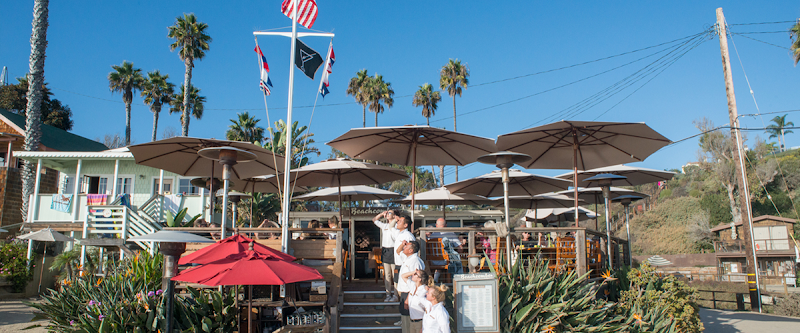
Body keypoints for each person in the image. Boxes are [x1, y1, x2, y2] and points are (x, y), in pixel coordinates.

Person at [397, 240, 425, 332]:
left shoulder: (415, 261)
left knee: (408, 323)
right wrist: (402, 244)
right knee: (404, 319)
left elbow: (417, 282)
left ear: (411, 250)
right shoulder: (407, 258)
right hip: (405, 292)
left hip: (410, 294)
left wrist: (408, 299)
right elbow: (398, 251)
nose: (404, 247)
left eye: (406, 246)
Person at [373, 210, 398, 302]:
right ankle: (388, 294)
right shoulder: (384, 225)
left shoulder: (397, 226)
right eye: (387, 213)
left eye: (390, 213)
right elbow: (374, 220)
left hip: (394, 250)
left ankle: (395, 295)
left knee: (395, 274)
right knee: (387, 275)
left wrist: (396, 219)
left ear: (395, 215)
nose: (387, 214)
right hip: (385, 250)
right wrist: (381, 214)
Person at [401, 268, 430, 333]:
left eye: (415, 274)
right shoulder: (413, 286)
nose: (413, 275)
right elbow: (403, 276)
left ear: (420, 279)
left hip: (421, 321)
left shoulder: (424, 290)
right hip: (412, 321)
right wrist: (413, 272)